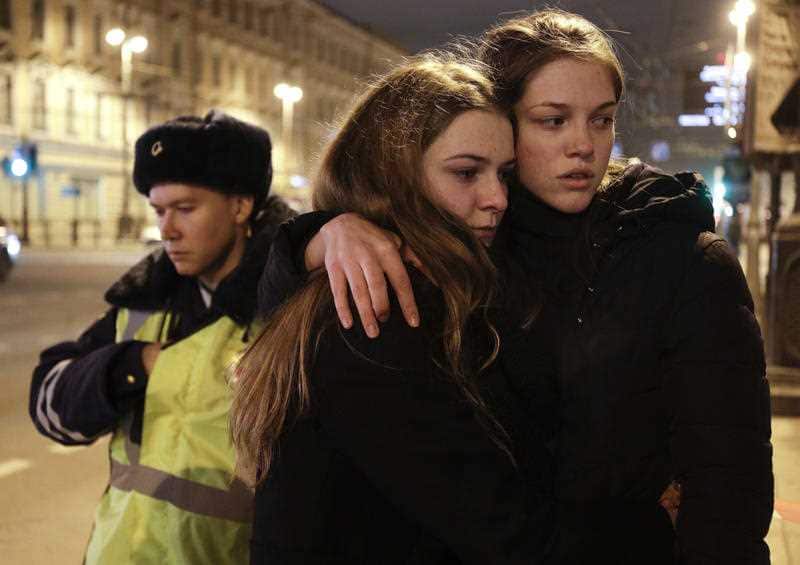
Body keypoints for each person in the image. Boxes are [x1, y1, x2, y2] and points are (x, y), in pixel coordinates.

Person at [259, 10, 773, 564]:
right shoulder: (452, 262)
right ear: (504, 122)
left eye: (601, 120)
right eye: (553, 120)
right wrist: (317, 237)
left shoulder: (679, 258)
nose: (583, 145)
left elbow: (729, 479)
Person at [231, 55, 557, 564]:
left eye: (504, 175)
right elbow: (499, 526)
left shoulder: (426, 290)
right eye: (466, 172)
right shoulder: (382, 313)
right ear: (394, 175)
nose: (496, 198)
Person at [29, 110, 294, 564]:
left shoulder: (290, 315)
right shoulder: (142, 304)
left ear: (240, 206)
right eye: (158, 211)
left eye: (185, 209)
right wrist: (132, 365)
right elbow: (51, 411)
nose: (166, 230)